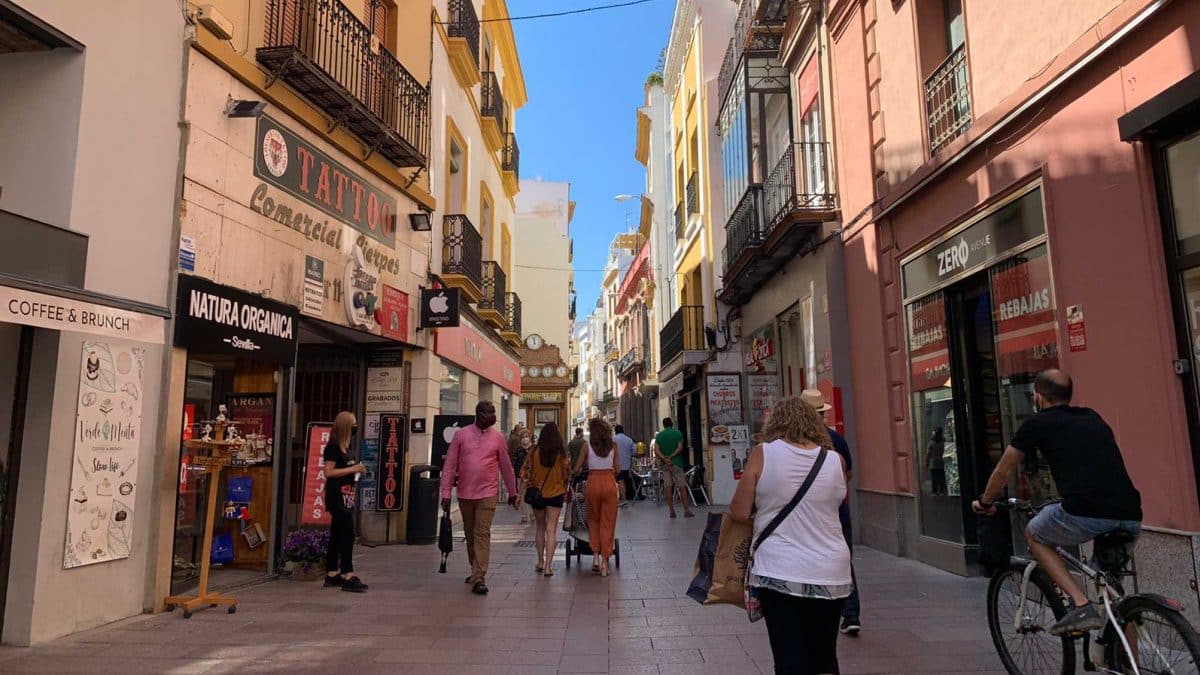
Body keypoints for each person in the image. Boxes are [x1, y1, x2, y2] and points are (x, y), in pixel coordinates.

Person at [973, 369, 1142, 636]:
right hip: (1130, 514)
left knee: (1035, 534)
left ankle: (1080, 603)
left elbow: (1003, 471)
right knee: (1115, 598)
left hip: (1087, 512)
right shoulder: (1092, 417)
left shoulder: (1036, 424)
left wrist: (985, 502)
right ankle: (1126, 664)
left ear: (1038, 398)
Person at [731, 397, 852, 674]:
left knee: (789, 659)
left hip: (780, 571)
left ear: (776, 423)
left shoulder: (763, 453)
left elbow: (739, 512)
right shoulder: (836, 460)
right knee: (825, 657)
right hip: (832, 571)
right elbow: (836, 502)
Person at [440, 401, 519, 595]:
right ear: (478, 414)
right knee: (470, 534)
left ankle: (479, 576)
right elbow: (449, 465)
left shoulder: (498, 438)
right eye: (488, 413)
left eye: (494, 412)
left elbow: (506, 466)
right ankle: (475, 568)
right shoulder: (461, 435)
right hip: (466, 494)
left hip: (488, 493)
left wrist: (513, 492)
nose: (492, 416)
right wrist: (445, 493)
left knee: (481, 532)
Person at [801, 388, 861, 637]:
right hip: (837, 512)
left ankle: (816, 611)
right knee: (843, 562)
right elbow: (848, 474)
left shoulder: (796, 441)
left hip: (809, 515)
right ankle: (851, 614)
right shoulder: (837, 440)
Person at [323, 411, 368, 593]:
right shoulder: (333, 447)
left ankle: (332, 573)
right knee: (347, 533)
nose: (356, 427)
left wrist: (355, 471)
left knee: (336, 534)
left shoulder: (344, 448)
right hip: (337, 496)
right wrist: (353, 468)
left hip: (346, 495)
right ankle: (347, 574)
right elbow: (328, 472)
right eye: (354, 424)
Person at [520, 422, 571, 576]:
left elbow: (524, 473)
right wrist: (563, 486)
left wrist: (520, 492)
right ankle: (549, 566)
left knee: (540, 528)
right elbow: (567, 473)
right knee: (552, 529)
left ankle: (540, 561)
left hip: (538, 494)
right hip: (555, 494)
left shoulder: (534, 451)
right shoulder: (561, 453)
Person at [573, 418, 620, 576]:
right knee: (608, 522)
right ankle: (605, 562)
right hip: (609, 483)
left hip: (592, 483)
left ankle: (594, 555)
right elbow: (618, 469)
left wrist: (579, 470)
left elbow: (577, 468)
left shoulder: (587, 447)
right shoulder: (613, 446)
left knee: (593, 520)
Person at [651, 418, 694, 518]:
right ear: (672, 424)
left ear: (663, 425)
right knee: (682, 486)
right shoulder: (677, 433)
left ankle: (671, 511)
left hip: (665, 465)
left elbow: (656, 450)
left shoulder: (660, 435)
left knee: (668, 487)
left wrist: (664, 458)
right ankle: (686, 510)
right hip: (676, 463)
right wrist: (671, 456)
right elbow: (680, 448)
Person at [510, 428, 533, 524]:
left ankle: (532, 513)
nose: (525, 439)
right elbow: (514, 462)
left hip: (532, 476)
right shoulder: (518, 449)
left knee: (532, 494)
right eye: (523, 437)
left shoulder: (533, 448)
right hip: (520, 475)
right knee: (522, 495)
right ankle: (524, 515)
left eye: (526, 437)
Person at [614, 425, 636, 506]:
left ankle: (622, 498)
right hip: (627, 465)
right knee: (623, 481)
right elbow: (634, 452)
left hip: (616, 465)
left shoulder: (613, 439)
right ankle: (625, 497)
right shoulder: (629, 440)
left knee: (619, 481)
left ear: (615, 431)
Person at [927, 427, 947, 496]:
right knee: (941, 477)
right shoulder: (944, 442)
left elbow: (928, 453)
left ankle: (934, 491)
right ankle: (941, 491)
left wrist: (927, 462)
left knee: (934, 478)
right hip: (941, 461)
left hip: (934, 462)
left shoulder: (931, 442)